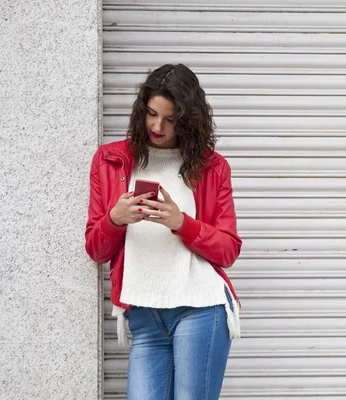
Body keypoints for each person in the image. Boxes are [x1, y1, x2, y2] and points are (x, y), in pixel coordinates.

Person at [85, 63, 242, 400]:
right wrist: (116, 218)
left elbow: (228, 250)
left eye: (170, 119)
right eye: (152, 114)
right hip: (144, 315)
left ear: (188, 119)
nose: (158, 126)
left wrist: (181, 223)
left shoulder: (212, 167)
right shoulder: (110, 160)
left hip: (200, 310)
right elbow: (96, 251)